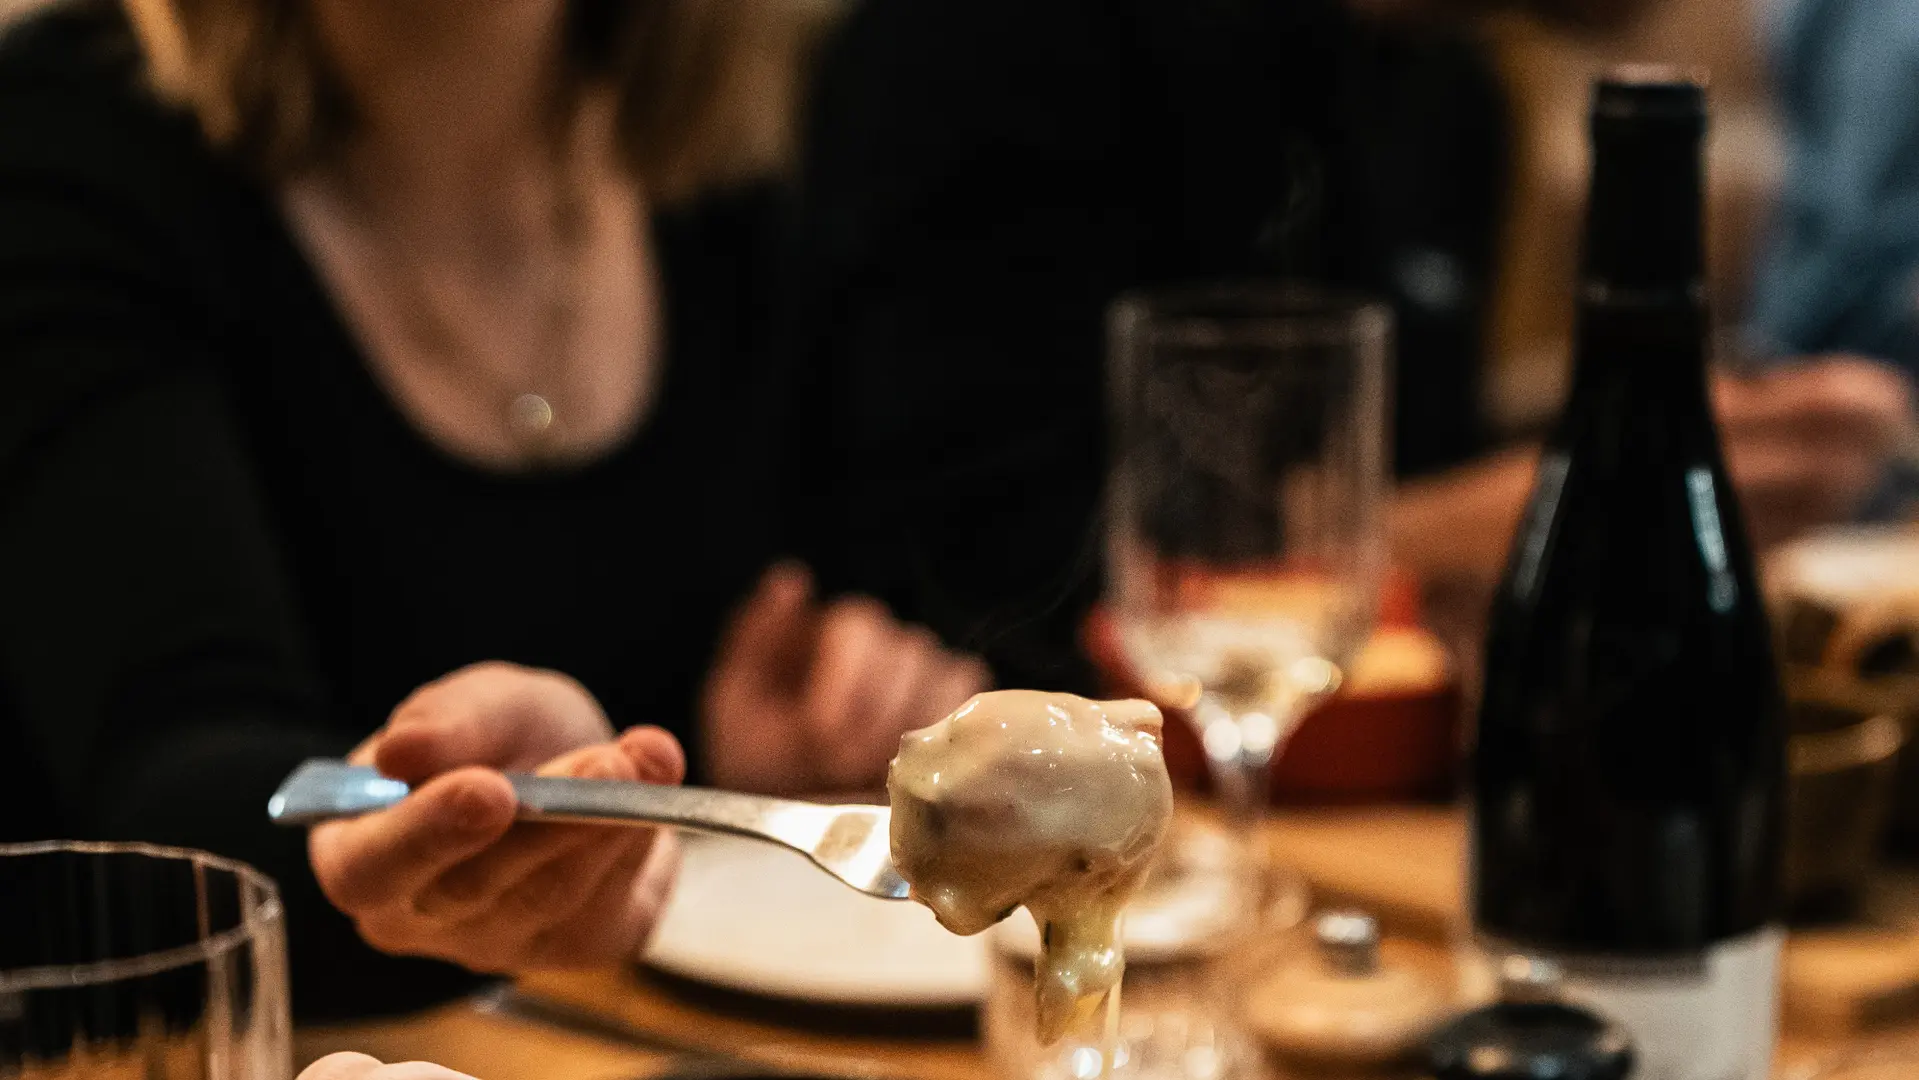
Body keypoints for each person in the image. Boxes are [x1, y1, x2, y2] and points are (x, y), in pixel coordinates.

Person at [0, 0, 984, 1021]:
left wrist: (738, 753)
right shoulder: (67, 149)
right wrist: (441, 826)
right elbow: (169, 787)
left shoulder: (737, 162)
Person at [786, 0, 1915, 686]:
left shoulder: (1449, 98)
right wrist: (1538, 512)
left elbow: (1397, 549)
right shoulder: (1002, 38)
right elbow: (991, 592)